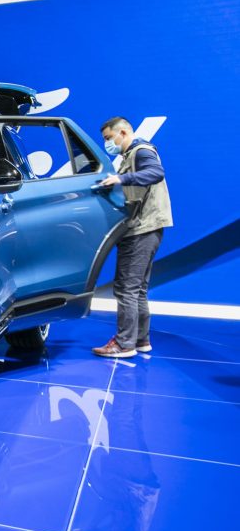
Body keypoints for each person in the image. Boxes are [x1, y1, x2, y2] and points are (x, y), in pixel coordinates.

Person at [92, 117, 173, 359]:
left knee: (126, 289)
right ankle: (140, 340)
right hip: (146, 228)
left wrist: (121, 178)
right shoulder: (130, 156)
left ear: (123, 132)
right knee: (137, 290)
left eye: (109, 138)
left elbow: (156, 173)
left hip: (142, 230)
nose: (108, 143)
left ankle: (124, 344)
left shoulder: (141, 151)